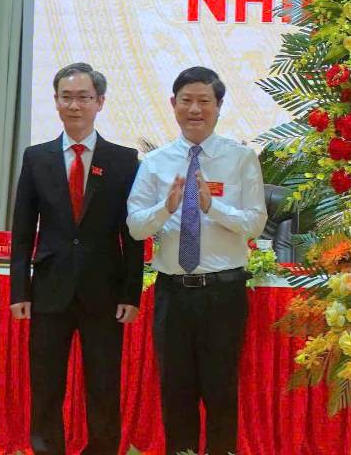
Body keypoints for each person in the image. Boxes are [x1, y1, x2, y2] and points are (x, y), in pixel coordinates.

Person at [127, 66, 267, 455]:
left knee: (221, 390)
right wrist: (166, 206)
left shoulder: (240, 160)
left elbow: (255, 223)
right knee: (176, 391)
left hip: (223, 293)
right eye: (186, 100)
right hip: (172, 294)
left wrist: (212, 205)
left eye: (204, 101)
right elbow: (136, 227)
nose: (195, 109)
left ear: (218, 106)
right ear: (173, 105)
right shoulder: (155, 163)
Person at [9, 63, 143, 455]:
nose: (74, 105)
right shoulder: (37, 158)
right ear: (55, 102)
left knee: (103, 384)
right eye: (66, 97)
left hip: (104, 293)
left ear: (99, 102)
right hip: (49, 290)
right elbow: (21, 232)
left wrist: (131, 294)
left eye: (83, 97)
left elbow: (131, 235)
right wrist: (20, 290)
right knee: (47, 384)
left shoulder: (122, 160)